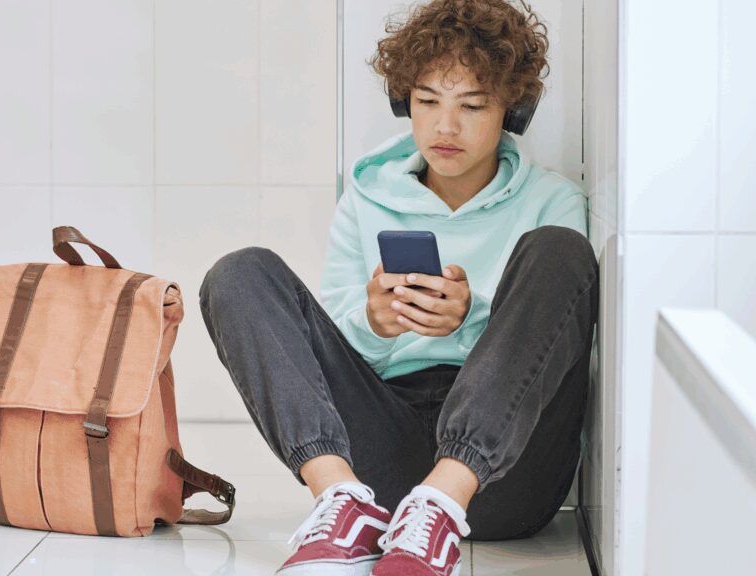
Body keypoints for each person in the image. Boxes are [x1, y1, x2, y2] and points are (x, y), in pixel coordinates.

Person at [198, 0, 598, 574]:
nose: (445, 126)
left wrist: (471, 321)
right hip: (380, 456)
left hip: (502, 480)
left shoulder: (552, 201)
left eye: (473, 105)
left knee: (559, 249)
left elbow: (553, 345)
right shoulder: (365, 194)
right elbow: (328, 355)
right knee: (239, 272)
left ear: (513, 109)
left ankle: (441, 501)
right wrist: (376, 324)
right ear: (403, 101)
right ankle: (340, 498)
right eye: (428, 101)